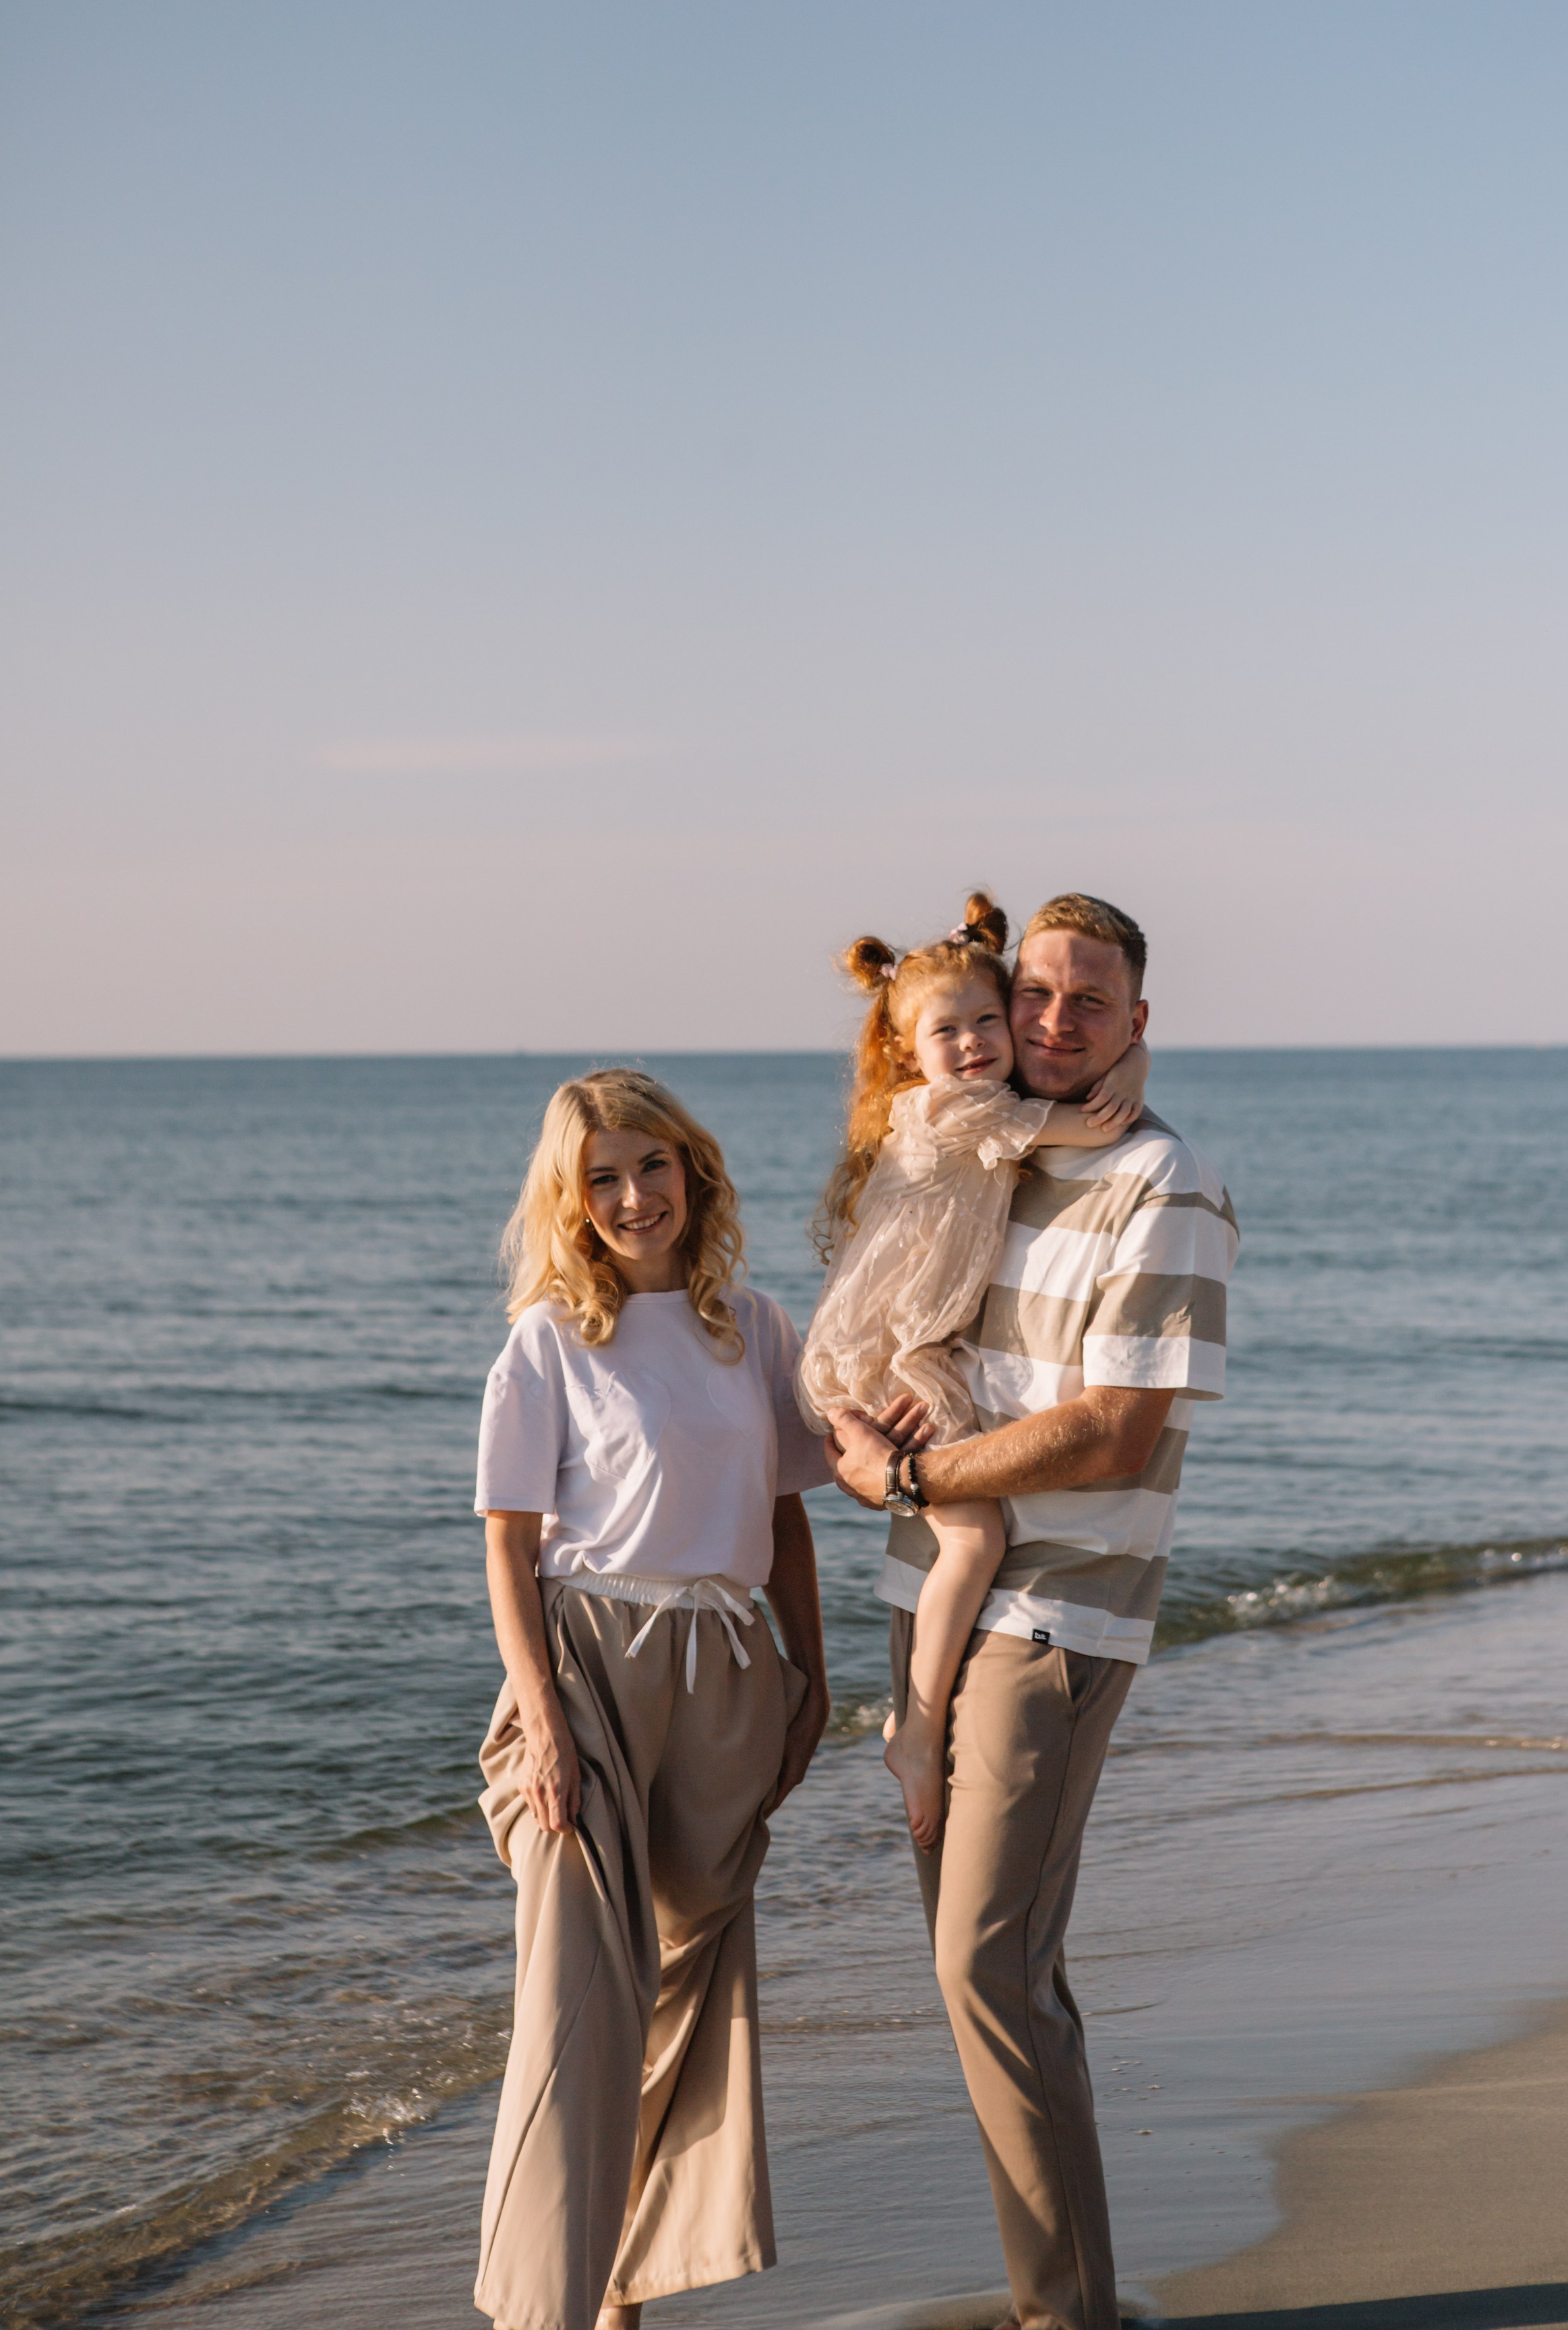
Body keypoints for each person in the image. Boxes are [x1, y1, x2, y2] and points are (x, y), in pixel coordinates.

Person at [828, 896, 1239, 2330]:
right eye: (1039, 994)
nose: (1055, 1021)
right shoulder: (992, 1143)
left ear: (1136, 1024)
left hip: (1057, 1613)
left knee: (981, 1963)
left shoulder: (1159, 1182)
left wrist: (911, 1471)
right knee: (991, 1965)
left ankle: (1066, 2313)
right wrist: (864, 1447)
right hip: (929, 1589)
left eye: (1087, 1002)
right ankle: (1063, 2294)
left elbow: (1114, 1430)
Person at [473, 1069, 921, 2330]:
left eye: (651, 1167)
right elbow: (509, 1547)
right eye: (602, 1178)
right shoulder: (551, 1343)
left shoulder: (756, 1328)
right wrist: (544, 1717)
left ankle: (626, 2274)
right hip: (587, 1668)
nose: (632, 1197)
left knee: (689, 1981)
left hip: (729, 1670)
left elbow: (788, 1514)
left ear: (694, 1171)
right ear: (570, 1200)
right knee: (577, 1991)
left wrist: (812, 1673)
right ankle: (542, 2307)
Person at [800, 891, 1148, 1847]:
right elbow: (1090, 1127)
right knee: (976, 1541)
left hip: (900, 1344)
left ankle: (923, 1719)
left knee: (968, 1536)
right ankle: (914, 1730)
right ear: (908, 1052)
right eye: (944, 1031)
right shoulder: (949, 1114)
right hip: (886, 1353)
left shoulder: (984, 1105)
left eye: (988, 1020)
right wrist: (1136, 1060)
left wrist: (1135, 1053)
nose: (972, 1044)